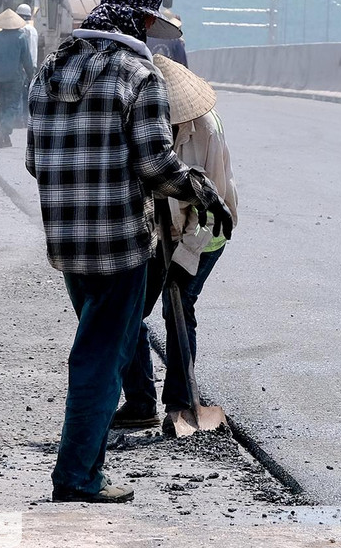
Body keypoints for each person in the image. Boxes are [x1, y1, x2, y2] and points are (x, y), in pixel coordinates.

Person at [26, 0, 232, 504]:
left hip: (66, 242)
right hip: (120, 242)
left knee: (106, 349)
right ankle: (76, 478)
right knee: (99, 356)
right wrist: (201, 189)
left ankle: (88, 467)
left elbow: (33, 160)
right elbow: (156, 165)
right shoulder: (137, 73)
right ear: (140, 19)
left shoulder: (51, 67)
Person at [114, 55, 234, 429]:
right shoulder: (134, 121)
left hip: (205, 233)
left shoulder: (207, 131)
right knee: (127, 312)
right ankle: (140, 401)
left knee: (178, 308)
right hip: (152, 234)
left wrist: (185, 257)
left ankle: (181, 404)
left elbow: (217, 206)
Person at [0, 8, 33, 148]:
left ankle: (5, 137)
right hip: (14, 78)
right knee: (12, 106)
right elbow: (27, 60)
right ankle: (3, 131)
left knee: (3, 106)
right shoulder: (21, 37)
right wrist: (31, 76)